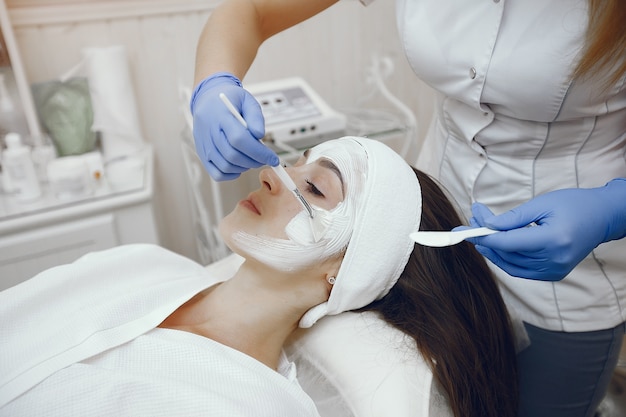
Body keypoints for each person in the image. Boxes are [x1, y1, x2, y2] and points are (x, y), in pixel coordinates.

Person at [189, 1, 626, 416]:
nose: (272, 175)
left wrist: (611, 208)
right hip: (437, 239)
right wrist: (214, 84)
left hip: (573, 279)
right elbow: (252, 9)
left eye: (318, 188)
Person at [0, 137, 517, 417]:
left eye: (314, 189)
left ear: (344, 271)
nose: (271, 174)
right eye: (295, 166)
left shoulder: (250, 405)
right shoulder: (143, 263)